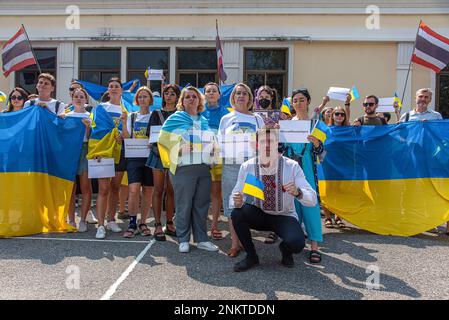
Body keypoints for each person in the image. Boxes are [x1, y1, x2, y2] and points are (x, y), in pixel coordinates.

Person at [230, 128, 317, 272]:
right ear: (258, 144)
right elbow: (235, 194)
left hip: (284, 215)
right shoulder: (248, 166)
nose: (267, 145)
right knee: (237, 213)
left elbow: (312, 199)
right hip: (260, 213)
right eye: (263, 141)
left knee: (297, 244)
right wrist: (237, 201)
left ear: (278, 143)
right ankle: (251, 256)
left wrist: (298, 192)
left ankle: (285, 249)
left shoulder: (292, 166)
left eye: (271, 141)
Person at [163, 86, 218, 253]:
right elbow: (162, 140)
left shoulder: (204, 121)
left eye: (194, 96)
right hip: (183, 168)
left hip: (203, 168)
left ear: (200, 100)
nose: (191, 99)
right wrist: (178, 149)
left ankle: (202, 239)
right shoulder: (175, 118)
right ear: (183, 101)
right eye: (187, 97)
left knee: (201, 204)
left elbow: (213, 142)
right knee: (184, 204)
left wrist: (213, 158)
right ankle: (183, 239)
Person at [219, 83, 265, 257]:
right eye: (237, 93)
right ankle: (234, 243)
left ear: (250, 98)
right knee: (232, 204)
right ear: (233, 97)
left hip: (253, 166)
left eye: (245, 93)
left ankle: (247, 241)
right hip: (231, 165)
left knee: (250, 204)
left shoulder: (257, 119)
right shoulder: (226, 119)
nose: (241, 96)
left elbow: (264, 142)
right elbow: (220, 143)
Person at [283, 88, 324, 263]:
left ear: (308, 101)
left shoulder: (316, 124)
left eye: (301, 99)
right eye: (295, 100)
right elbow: (282, 150)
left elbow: (322, 153)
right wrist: (278, 134)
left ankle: (314, 245)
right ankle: (294, 242)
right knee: (292, 205)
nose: (298, 103)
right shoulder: (288, 124)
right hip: (291, 167)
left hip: (307, 166)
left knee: (311, 204)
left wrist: (316, 144)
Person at [93, 77, 126, 239]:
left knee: (115, 187)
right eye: (111, 86)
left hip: (120, 151)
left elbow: (129, 131)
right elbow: (96, 131)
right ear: (108, 90)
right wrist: (96, 150)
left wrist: (123, 137)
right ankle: (100, 225)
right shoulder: (100, 108)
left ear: (121, 91)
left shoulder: (126, 109)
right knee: (103, 189)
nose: (113, 88)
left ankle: (111, 219)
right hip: (104, 152)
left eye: (116, 86)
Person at [145, 84, 180, 241]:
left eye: (173, 93)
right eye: (167, 93)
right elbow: (150, 135)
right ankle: (158, 224)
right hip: (158, 155)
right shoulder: (156, 113)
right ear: (163, 96)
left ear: (177, 96)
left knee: (171, 190)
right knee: (158, 189)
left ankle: (170, 223)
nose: (169, 96)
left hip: (175, 155)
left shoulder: (181, 114)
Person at [121, 86, 154, 237]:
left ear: (150, 99)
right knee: (133, 190)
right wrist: (122, 122)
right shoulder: (131, 116)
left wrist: (153, 142)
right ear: (136, 100)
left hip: (150, 157)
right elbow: (126, 137)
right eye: (140, 97)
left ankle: (143, 222)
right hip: (134, 157)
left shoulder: (155, 115)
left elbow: (158, 136)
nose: (142, 99)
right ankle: (132, 222)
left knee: (148, 191)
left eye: (145, 96)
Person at [202, 82, 229, 240]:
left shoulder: (226, 113)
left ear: (219, 95)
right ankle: (200, 224)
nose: (211, 93)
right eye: (208, 91)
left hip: (219, 155)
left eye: (214, 91)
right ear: (204, 94)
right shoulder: (199, 111)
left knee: (215, 191)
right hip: (200, 156)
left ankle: (214, 225)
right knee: (201, 190)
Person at [65, 88, 92, 232]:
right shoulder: (66, 116)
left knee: (86, 186)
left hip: (85, 149)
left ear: (86, 99)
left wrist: (88, 128)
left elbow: (92, 139)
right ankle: (71, 219)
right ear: (72, 98)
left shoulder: (90, 116)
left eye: (81, 96)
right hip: (70, 152)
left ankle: (83, 220)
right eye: (76, 96)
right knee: (71, 187)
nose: (79, 98)